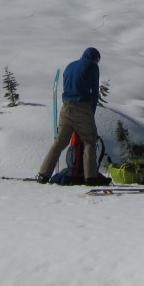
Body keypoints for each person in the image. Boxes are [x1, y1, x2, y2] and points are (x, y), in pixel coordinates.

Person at [36, 47, 110, 186]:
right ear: (95, 58)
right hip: (82, 107)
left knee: (60, 142)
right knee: (89, 140)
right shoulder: (92, 66)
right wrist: (90, 113)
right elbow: (94, 92)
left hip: (66, 107)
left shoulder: (70, 66)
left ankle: (43, 174)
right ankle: (90, 178)